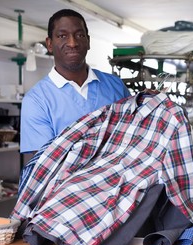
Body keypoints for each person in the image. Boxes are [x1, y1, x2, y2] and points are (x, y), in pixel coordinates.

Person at [20, 9, 130, 154]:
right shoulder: (36, 100)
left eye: (79, 35)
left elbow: (134, 136)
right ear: (50, 44)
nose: (72, 43)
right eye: (62, 36)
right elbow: (44, 166)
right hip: (68, 177)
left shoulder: (115, 85)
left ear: (88, 41)